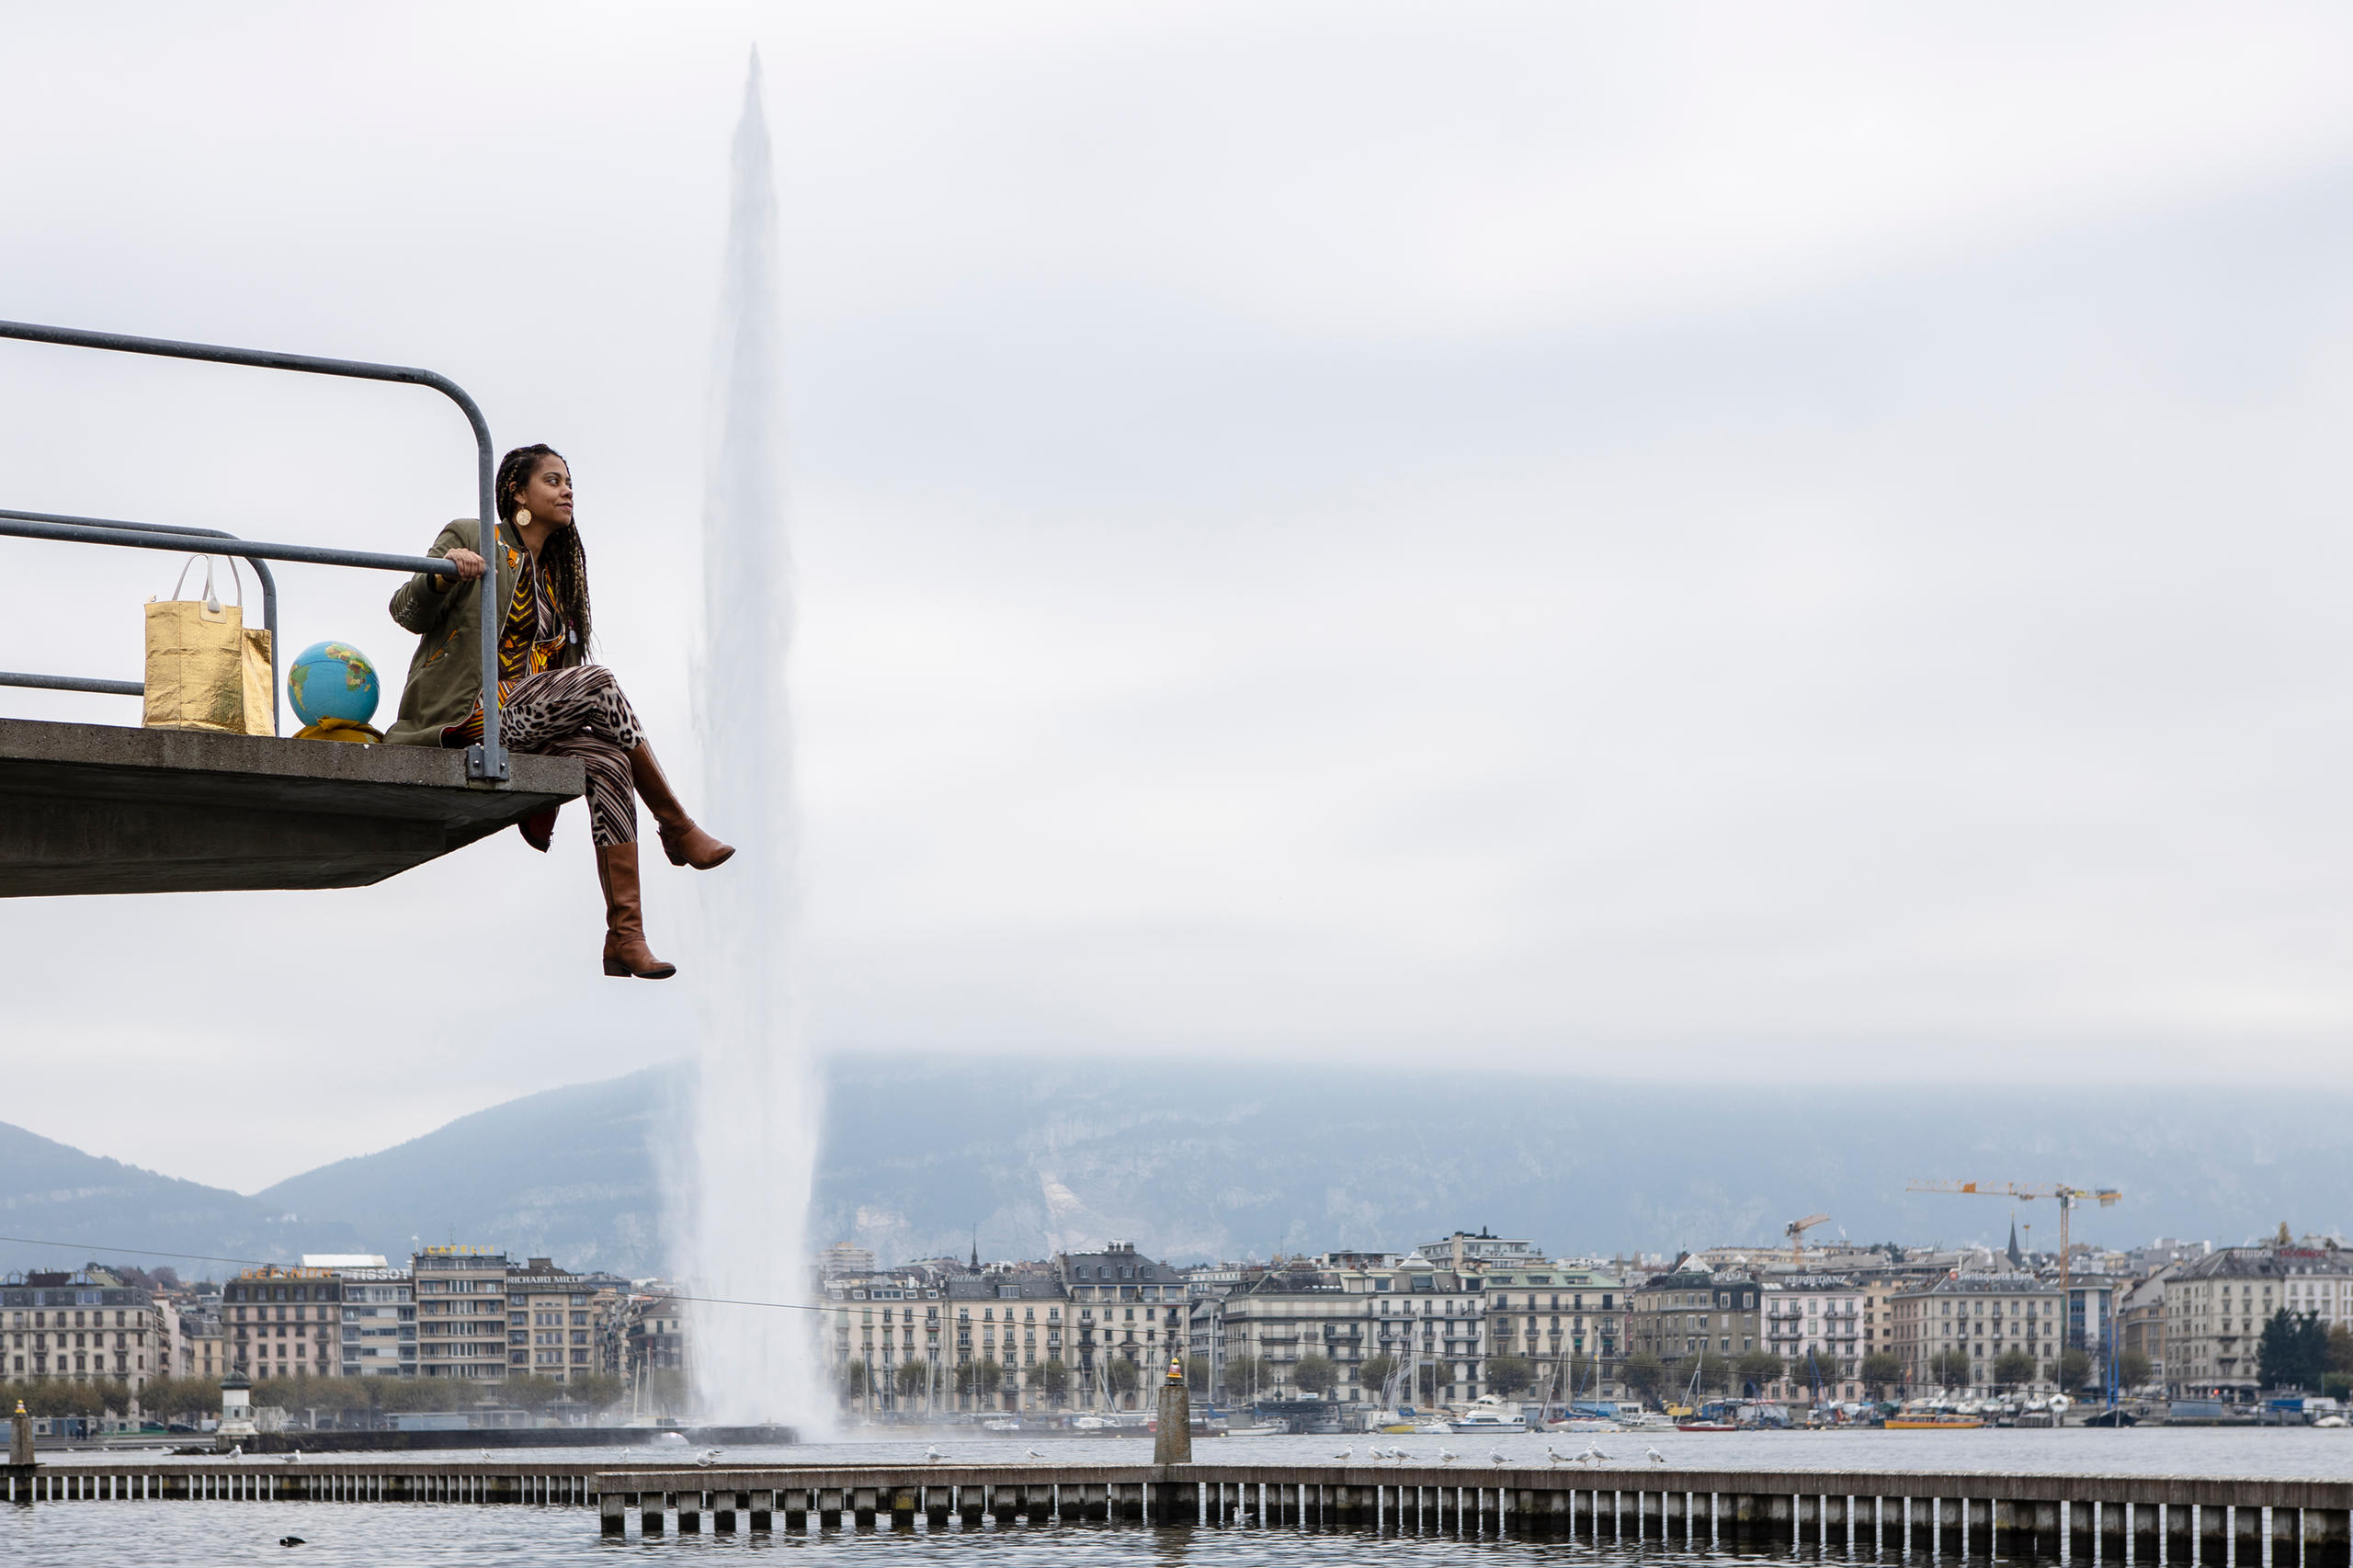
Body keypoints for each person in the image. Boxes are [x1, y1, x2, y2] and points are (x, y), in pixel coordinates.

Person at [383, 443, 730, 978]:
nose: (566, 490)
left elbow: (554, 678)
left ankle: (625, 937)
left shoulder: (558, 577)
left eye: (568, 482)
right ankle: (677, 825)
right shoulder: (473, 536)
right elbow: (405, 610)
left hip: (528, 721)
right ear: (517, 493)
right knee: (599, 682)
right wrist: (443, 574)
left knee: (609, 762)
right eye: (552, 480)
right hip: (471, 716)